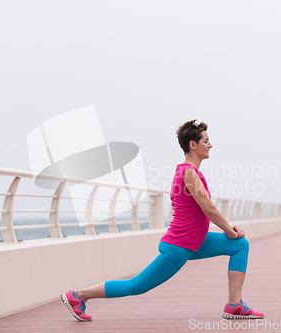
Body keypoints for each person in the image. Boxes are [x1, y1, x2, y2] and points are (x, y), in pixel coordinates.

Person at [60, 119, 264, 321]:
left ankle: (234, 306)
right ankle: (77, 296)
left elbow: (201, 211)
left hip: (195, 241)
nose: (210, 145)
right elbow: (208, 209)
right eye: (206, 141)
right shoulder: (188, 173)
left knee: (240, 245)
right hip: (180, 245)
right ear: (193, 145)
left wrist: (231, 233)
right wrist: (229, 231)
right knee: (135, 286)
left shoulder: (186, 172)